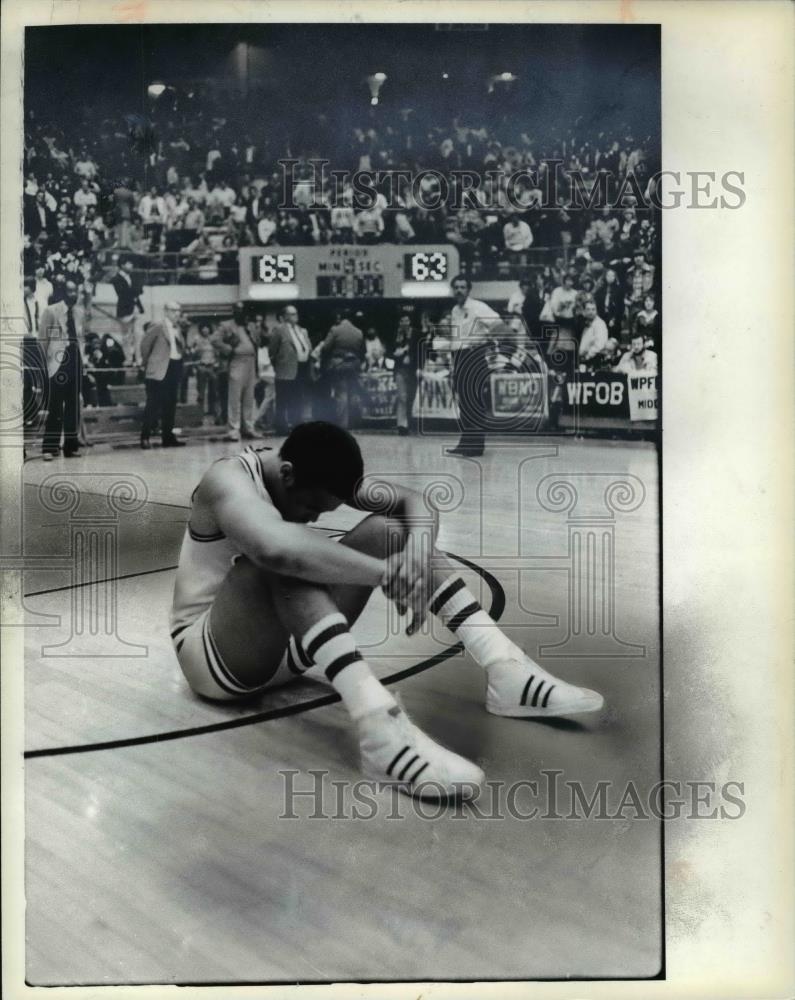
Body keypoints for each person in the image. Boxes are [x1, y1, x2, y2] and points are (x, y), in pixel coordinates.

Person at [169, 421, 603, 799]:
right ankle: (379, 729)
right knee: (273, 563)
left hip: (288, 643)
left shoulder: (315, 469)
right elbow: (277, 549)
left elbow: (415, 503)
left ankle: (504, 666)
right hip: (213, 657)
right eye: (310, 507)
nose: (313, 516)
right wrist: (387, 574)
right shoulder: (225, 479)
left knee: (387, 529)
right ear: (286, 474)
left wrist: (413, 553)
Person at [445, 274, 500, 457]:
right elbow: (455, 338)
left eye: (463, 287)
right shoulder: (455, 310)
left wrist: (490, 343)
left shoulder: (478, 307)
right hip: (459, 357)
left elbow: (498, 324)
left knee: (474, 402)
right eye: (456, 287)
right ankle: (465, 442)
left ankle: (477, 445)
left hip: (474, 356)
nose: (459, 290)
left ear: (468, 290)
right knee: (464, 403)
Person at [38, 278, 86, 460]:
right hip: (58, 363)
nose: (74, 295)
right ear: (63, 292)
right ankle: (49, 448)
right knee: (56, 407)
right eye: (71, 291)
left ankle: (70, 447)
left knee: (73, 407)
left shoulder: (80, 312)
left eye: (76, 291)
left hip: (75, 360)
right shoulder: (51, 311)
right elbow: (43, 340)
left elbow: (82, 338)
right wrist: (43, 368)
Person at [212, 302, 263, 442]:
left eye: (243, 311)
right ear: (234, 312)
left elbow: (258, 343)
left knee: (249, 397)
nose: (241, 313)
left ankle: (248, 427)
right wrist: (228, 349)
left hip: (251, 362)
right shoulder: (226, 325)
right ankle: (234, 430)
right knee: (234, 397)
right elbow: (214, 340)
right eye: (238, 310)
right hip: (237, 361)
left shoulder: (250, 326)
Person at [139, 301, 187, 449]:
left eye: (178, 311)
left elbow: (180, 347)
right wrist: (149, 364)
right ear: (166, 311)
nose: (177, 314)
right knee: (153, 404)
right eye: (174, 311)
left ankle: (168, 437)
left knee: (170, 404)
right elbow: (144, 345)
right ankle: (145, 437)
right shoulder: (158, 325)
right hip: (159, 370)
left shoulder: (178, 328)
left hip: (174, 366)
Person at [266, 304, 313, 435]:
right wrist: (278, 365)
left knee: (298, 398)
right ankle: (281, 426)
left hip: (301, 367)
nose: (295, 316)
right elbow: (272, 351)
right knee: (283, 399)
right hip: (285, 369)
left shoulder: (301, 330)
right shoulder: (279, 330)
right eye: (292, 314)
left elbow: (308, 346)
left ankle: (297, 424)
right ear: (285, 316)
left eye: (296, 313)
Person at [316, 310, 365, 429]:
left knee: (341, 394)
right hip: (354, 365)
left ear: (340, 318)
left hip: (339, 365)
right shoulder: (358, 332)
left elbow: (326, 348)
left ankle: (343, 425)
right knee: (353, 393)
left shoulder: (335, 330)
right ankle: (355, 422)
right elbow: (362, 350)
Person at [110, 258, 145, 364]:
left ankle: (139, 358)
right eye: (129, 263)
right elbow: (123, 293)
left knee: (138, 335)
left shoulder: (132, 277)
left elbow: (140, 290)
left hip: (135, 308)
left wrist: (134, 293)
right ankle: (128, 358)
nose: (131, 266)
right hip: (125, 310)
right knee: (126, 336)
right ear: (122, 265)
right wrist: (134, 291)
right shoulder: (116, 279)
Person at [392, 315, 420, 436]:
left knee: (411, 397)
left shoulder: (416, 334)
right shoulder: (396, 335)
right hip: (400, 369)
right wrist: (398, 352)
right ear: (399, 322)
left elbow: (421, 351)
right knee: (402, 397)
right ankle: (402, 425)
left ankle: (410, 423)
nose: (405, 323)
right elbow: (390, 351)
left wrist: (419, 367)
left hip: (413, 370)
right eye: (402, 320)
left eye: (407, 320)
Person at [577, 300, 609, 366]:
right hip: (582, 359)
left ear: (596, 311)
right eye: (588, 309)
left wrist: (587, 357)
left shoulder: (600, 324)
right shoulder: (584, 322)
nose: (591, 312)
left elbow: (600, 345)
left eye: (593, 309)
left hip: (594, 360)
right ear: (584, 311)